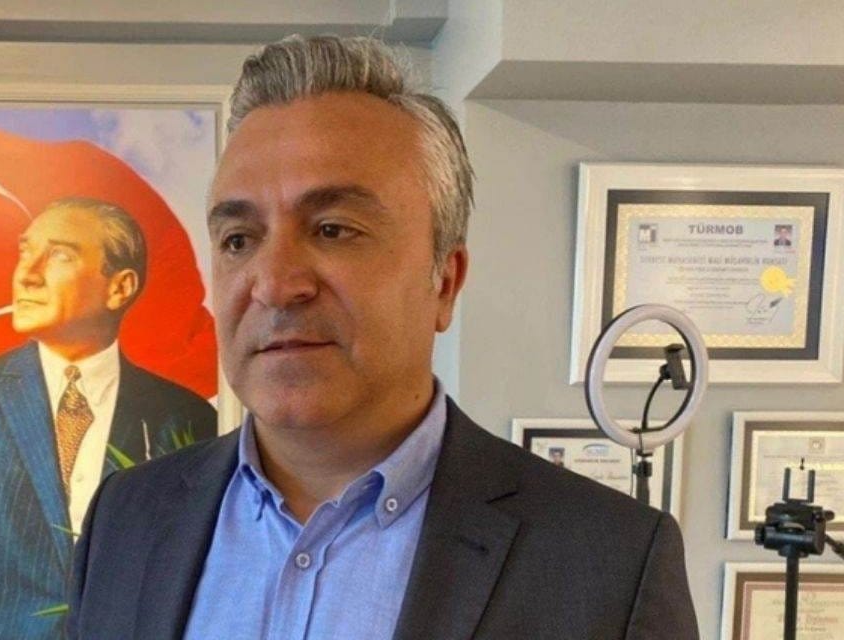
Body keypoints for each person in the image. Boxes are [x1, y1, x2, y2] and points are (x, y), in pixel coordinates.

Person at [67, 35, 699, 639]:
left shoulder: (609, 565)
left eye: (333, 229)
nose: (275, 284)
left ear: (444, 281)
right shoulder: (126, 517)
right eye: (239, 240)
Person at [0, 197, 217, 639]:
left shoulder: (185, 417)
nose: (26, 274)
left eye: (59, 255)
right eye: (25, 251)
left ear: (119, 287)